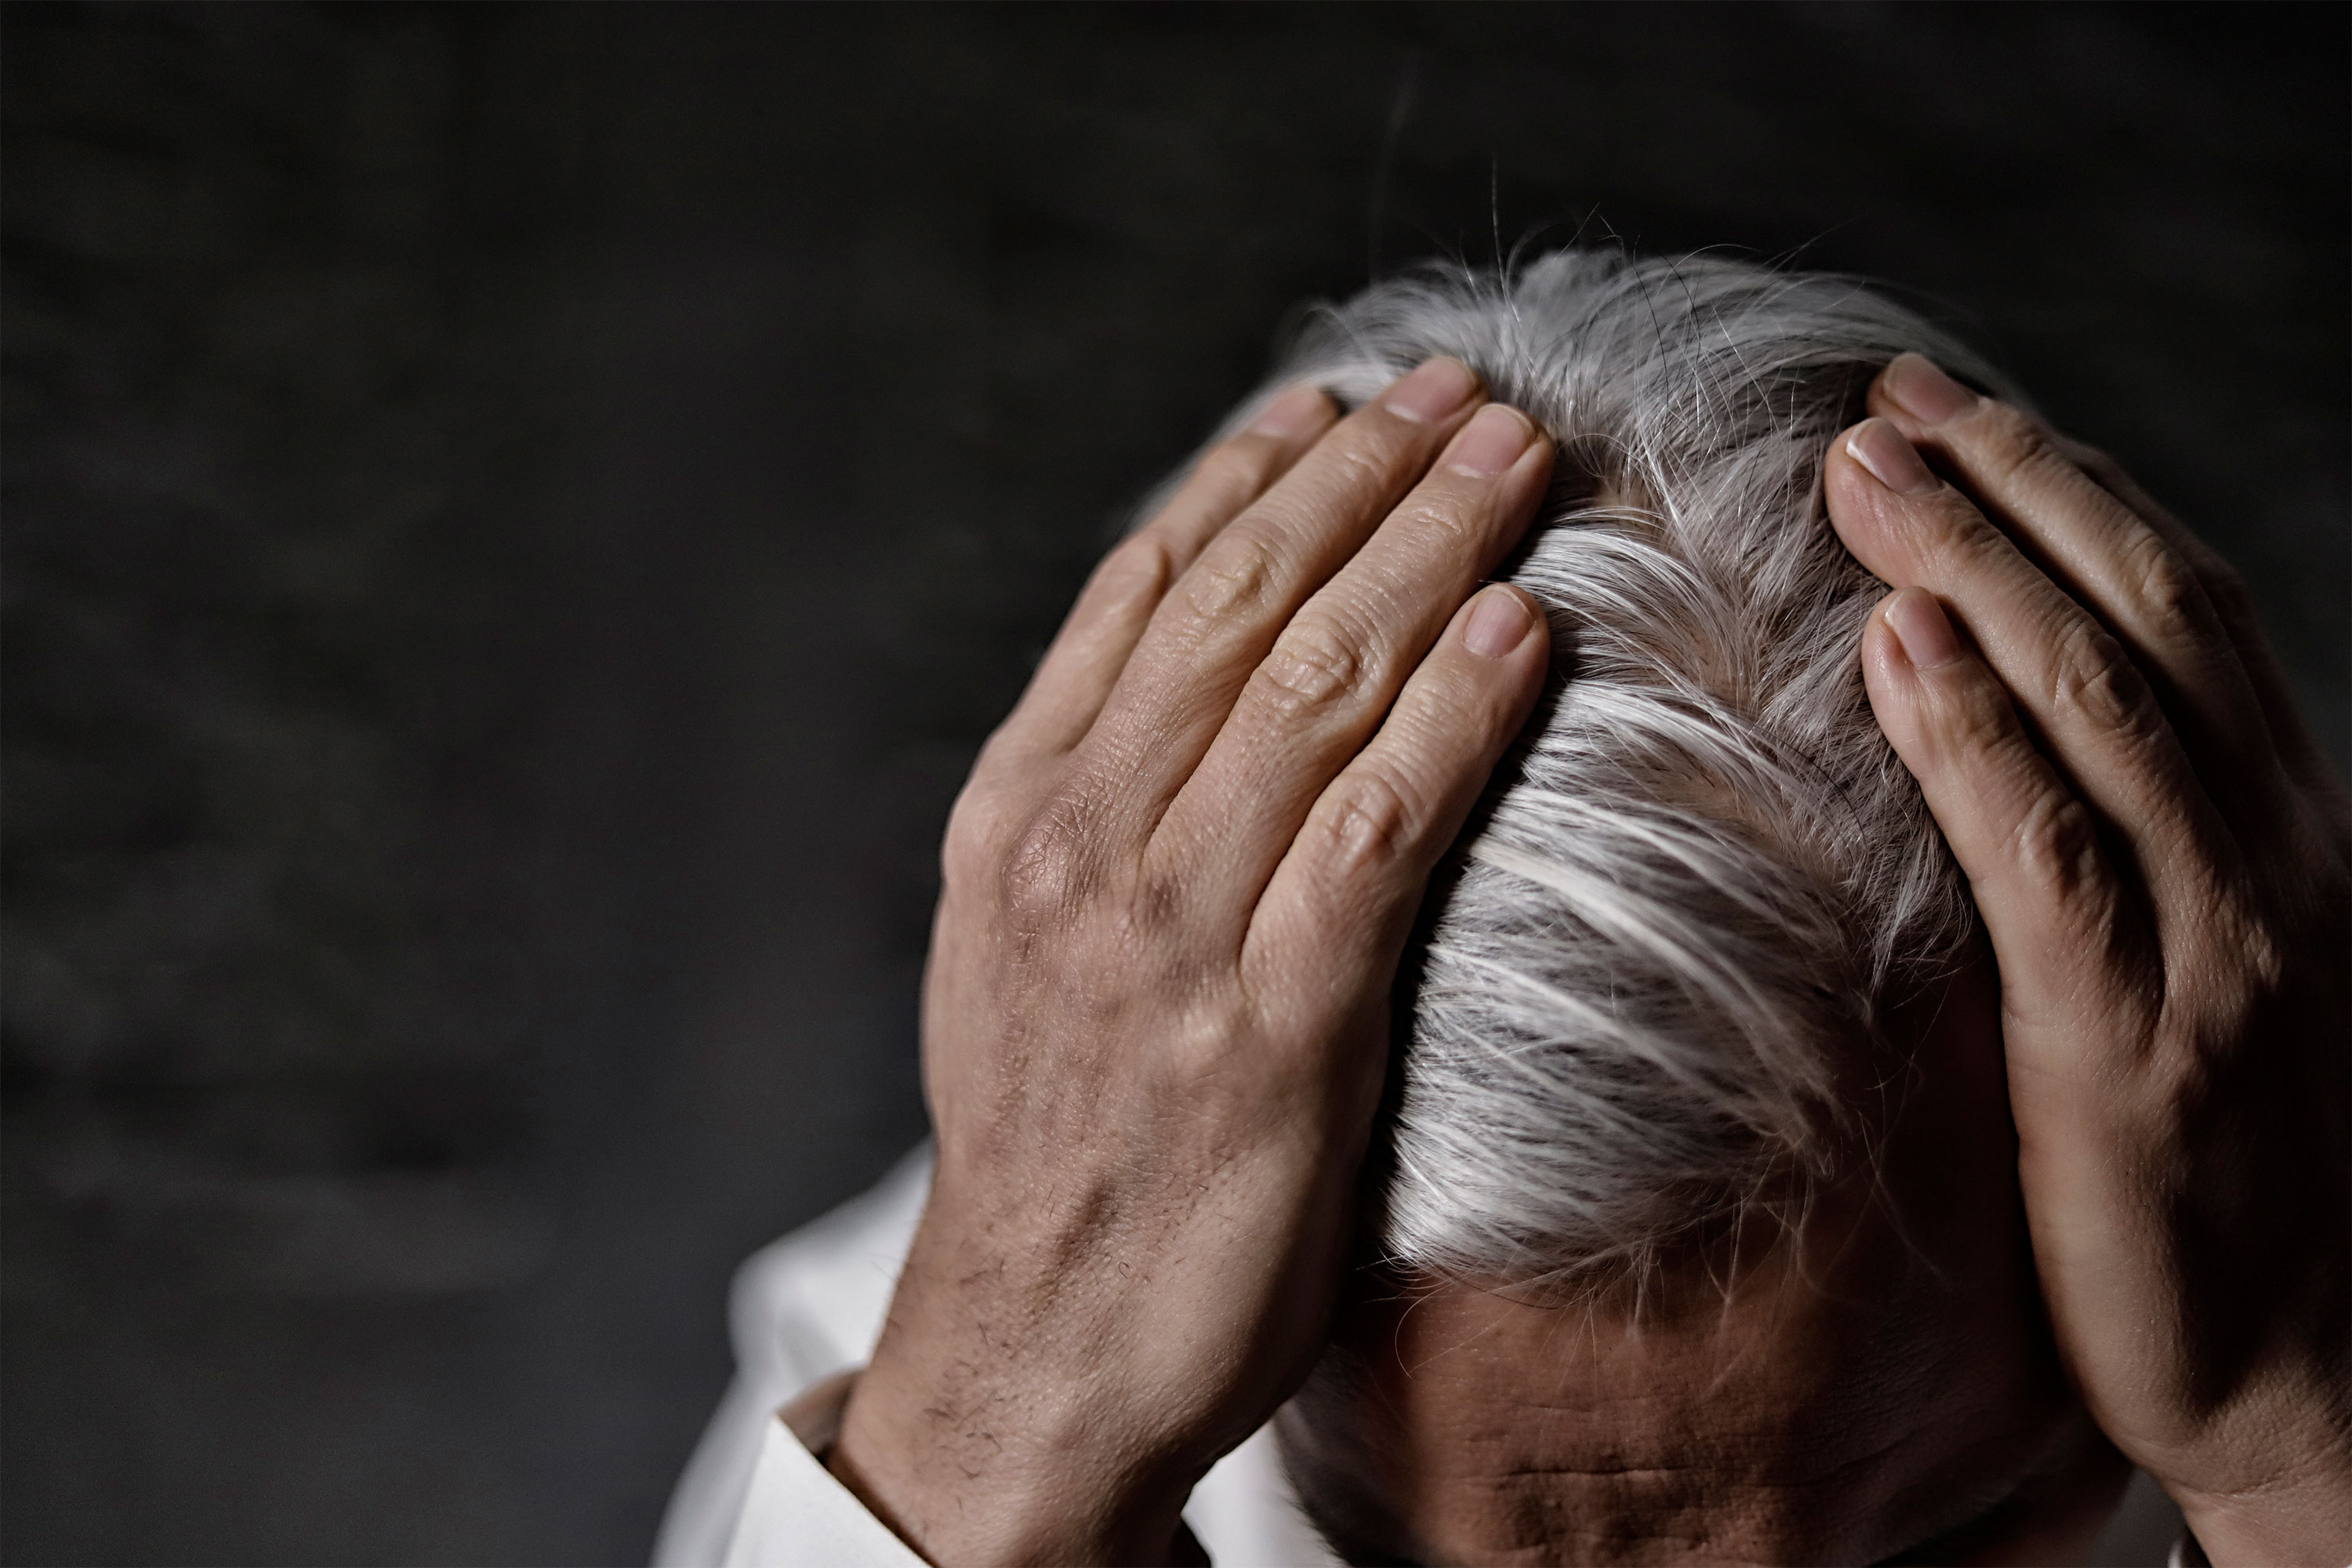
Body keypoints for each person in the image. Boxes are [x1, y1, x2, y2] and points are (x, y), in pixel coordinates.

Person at [655, 252, 2350, 1566]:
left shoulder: (2288, 1270)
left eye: (1937, 1541)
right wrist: (989, 1470)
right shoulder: (969, 1369)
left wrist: (2300, 1456)